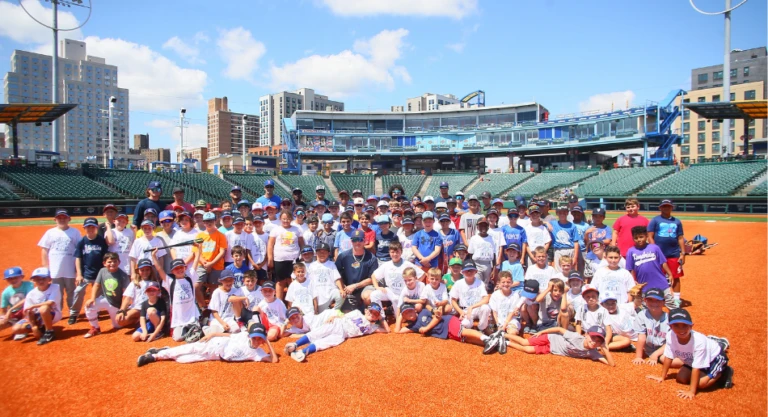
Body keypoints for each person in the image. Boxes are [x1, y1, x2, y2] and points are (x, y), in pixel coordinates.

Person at [646, 308, 733, 398]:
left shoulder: (699, 341)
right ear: (670, 326)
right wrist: (662, 377)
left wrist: (691, 391)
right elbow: (668, 356)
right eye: (676, 325)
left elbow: (696, 368)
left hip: (715, 358)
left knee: (701, 384)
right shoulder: (670, 335)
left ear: (691, 325)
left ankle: (724, 371)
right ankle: (706, 373)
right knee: (681, 378)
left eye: (685, 325)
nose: (681, 329)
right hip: (693, 359)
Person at [137, 321, 277, 366]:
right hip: (215, 344)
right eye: (255, 337)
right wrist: (212, 334)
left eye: (260, 338)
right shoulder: (243, 336)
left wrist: (268, 341)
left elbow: (273, 360)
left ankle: (162, 350)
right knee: (187, 348)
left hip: (215, 356)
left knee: (182, 360)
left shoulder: (258, 353)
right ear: (250, 335)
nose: (257, 340)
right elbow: (228, 335)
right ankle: (154, 357)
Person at [284, 304, 388, 362]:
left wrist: (381, 318)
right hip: (338, 323)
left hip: (343, 335)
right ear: (366, 310)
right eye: (371, 311)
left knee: (324, 344)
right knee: (317, 333)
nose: (372, 314)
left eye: (375, 314)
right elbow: (343, 316)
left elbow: (387, 330)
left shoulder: (371, 327)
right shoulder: (357, 312)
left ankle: (302, 352)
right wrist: (334, 317)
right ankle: (295, 344)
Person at [37, 209, 80, 327]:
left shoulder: (75, 232)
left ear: (69, 219)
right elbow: (44, 250)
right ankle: (57, 312)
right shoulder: (50, 232)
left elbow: (79, 251)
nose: (62, 219)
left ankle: (72, 313)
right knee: (57, 292)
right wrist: (45, 267)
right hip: (55, 269)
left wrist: (78, 268)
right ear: (55, 219)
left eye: (64, 217)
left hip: (70, 268)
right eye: (59, 218)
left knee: (72, 291)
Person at [505, 325, 615, 366]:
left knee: (527, 350)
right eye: (593, 338)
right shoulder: (575, 336)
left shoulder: (592, 352)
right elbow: (559, 329)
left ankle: (506, 342)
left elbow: (611, 364)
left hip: (551, 348)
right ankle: (503, 335)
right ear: (586, 335)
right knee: (525, 342)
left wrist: (604, 347)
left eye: (598, 341)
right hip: (550, 338)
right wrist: (542, 332)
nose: (594, 342)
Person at [647, 199, 686, 307]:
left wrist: (683, 253)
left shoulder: (677, 222)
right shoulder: (655, 220)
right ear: (660, 208)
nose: (666, 208)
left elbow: (680, 237)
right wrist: (654, 249)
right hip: (659, 254)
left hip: (673, 254)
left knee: (675, 276)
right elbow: (650, 236)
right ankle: (658, 297)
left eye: (668, 206)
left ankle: (676, 299)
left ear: (672, 207)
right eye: (664, 206)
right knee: (658, 276)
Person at [71, 217, 109, 325]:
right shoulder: (82, 241)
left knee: (97, 295)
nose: (90, 229)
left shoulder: (101, 241)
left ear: (96, 228)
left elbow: (105, 257)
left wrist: (104, 272)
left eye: (93, 227)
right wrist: (79, 274)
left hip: (99, 273)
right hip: (86, 274)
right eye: (88, 227)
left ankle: (95, 311)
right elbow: (78, 258)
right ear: (84, 228)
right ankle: (74, 314)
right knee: (78, 291)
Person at [626, 226, 675, 309]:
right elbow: (630, 269)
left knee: (670, 303)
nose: (639, 239)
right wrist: (633, 281)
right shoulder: (631, 251)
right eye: (636, 238)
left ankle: (676, 319)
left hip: (661, 282)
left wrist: (670, 274)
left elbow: (663, 263)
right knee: (646, 306)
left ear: (646, 236)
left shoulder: (654, 248)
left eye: (641, 237)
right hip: (644, 285)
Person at [369, 241, 424, 313]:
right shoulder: (386, 265)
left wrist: (412, 286)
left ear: (401, 252)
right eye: (392, 252)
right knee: (374, 295)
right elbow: (373, 275)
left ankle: (394, 311)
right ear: (389, 252)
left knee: (397, 315)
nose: (395, 254)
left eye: (397, 252)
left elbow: (422, 274)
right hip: (390, 291)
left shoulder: (407, 264)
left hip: (402, 293)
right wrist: (377, 287)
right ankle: (381, 316)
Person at [83, 252, 129, 338]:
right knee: (89, 306)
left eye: (115, 261)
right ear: (104, 263)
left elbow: (126, 294)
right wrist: (92, 298)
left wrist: (122, 309)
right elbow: (96, 285)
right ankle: (95, 327)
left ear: (119, 262)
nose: (112, 264)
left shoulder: (123, 275)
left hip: (116, 304)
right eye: (109, 262)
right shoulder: (102, 271)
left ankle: (130, 318)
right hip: (105, 299)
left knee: (118, 325)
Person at [11, 268, 61, 345]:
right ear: (33, 281)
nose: (40, 281)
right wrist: (34, 327)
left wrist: (33, 306)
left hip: (53, 314)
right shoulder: (31, 294)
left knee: (44, 308)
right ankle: (40, 329)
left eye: (43, 278)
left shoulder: (55, 287)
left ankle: (49, 332)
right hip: (36, 317)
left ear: (49, 279)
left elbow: (50, 302)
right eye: (37, 279)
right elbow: (28, 311)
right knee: (16, 329)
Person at [335, 230, 379, 312]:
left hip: (364, 287)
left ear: (365, 241)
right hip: (347, 289)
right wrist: (343, 287)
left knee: (368, 296)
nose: (357, 242)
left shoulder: (372, 258)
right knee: (347, 314)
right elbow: (336, 274)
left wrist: (355, 286)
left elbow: (372, 279)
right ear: (351, 241)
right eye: (355, 240)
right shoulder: (343, 256)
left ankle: (370, 313)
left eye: (360, 240)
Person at [268, 209, 305, 301]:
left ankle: (293, 303)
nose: (286, 221)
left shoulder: (297, 229)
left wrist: (303, 257)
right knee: (280, 282)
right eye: (284, 219)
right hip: (279, 260)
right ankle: (279, 303)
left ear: (291, 219)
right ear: (280, 218)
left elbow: (302, 244)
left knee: (292, 281)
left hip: (294, 259)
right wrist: (270, 258)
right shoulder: (275, 230)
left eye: (288, 218)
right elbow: (270, 245)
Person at [194, 212, 228, 308]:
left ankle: (213, 309)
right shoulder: (199, 235)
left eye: (211, 221)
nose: (209, 223)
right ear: (203, 222)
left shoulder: (220, 235)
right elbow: (196, 251)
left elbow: (222, 252)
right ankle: (203, 308)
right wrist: (204, 263)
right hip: (202, 264)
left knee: (214, 288)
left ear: (215, 221)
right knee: (196, 287)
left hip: (216, 265)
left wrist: (211, 264)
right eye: (207, 221)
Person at [449, 260, 491, 332]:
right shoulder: (458, 283)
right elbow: (453, 300)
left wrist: (472, 307)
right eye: (466, 271)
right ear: (462, 272)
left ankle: (481, 328)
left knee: (486, 308)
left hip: (477, 308)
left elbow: (486, 299)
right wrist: (460, 312)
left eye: (471, 270)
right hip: (465, 310)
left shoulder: (480, 283)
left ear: (476, 271)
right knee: (465, 325)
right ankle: (471, 328)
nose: (469, 272)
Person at [631, 288, 670, 365]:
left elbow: (671, 342)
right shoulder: (641, 315)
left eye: (658, 300)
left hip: (666, 349)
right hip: (649, 350)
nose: (654, 303)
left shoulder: (669, 319)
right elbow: (641, 337)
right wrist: (639, 356)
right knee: (664, 359)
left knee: (666, 360)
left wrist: (656, 354)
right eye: (650, 300)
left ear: (664, 302)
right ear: (645, 301)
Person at [467, 216, 500, 292]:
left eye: (485, 225)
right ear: (477, 227)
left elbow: (494, 254)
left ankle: (484, 300)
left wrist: (494, 268)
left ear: (488, 227)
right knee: (477, 283)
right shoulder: (474, 238)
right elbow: (470, 254)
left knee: (486, 285)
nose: (483, 227)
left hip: (488, 264)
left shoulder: (492, 239)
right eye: (481, 225)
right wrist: (472, 267)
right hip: (477, 264)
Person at [205, 269, 242, 335]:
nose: (228, 283)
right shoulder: (217, 292)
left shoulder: (235, 290)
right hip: (217, 319)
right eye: (226, 280)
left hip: (229, 318)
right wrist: (223, 323)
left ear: (234, 280)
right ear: (221, 281)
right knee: (215, 334)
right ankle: (207, 329)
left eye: (230, 280)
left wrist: (245, 298)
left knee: (237, 331)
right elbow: (214, 311)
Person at [1, 267, 34, 336]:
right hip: (15, 314)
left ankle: (28, 327)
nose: (13, 280)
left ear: (22, 277)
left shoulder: (29, 285)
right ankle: (19, 325)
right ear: (6, 280)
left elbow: (28, 299)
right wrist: (5, 318)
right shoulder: (6, 292)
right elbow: (3, 309)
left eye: (15, 277)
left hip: (28, 312)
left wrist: (10, 309)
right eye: (10, 278)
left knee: (27, 310)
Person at [547, 206, 580, 272]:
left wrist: (575, 257)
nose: (562, 214)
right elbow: (539, 220)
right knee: (559, 270)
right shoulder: (553, 223)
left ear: (567, 213)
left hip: (570, 249)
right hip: (558, 250)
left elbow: (576, 242)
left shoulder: (572, 226)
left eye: (564, 212)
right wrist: (546, 223)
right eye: (560, 213)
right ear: (557, 214)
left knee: (570, 270)